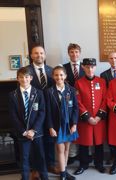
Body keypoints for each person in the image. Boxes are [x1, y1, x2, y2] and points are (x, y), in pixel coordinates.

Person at [8, 67, 48, 180]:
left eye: (26, 77)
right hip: (22, 133)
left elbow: (42, 112)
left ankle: (45, 177)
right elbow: (13, 115)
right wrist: (24, 131)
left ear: (31, 78)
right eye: (21, 77)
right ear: (17, 79)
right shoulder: (13, 95)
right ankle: (25, 177)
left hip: (37, 133)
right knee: (24, 158)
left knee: (40, 157)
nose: (24, 79)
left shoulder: (38, 93)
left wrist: (33, 130)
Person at [26, 45, 59, 176]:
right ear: (31, 55)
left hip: (50, 110)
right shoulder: (26, 71)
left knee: (50, 139)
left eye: (41, 53)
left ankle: (50, 164)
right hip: (34, 111)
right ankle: (35, 168)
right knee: (35, 140)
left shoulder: (51, 70)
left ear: (45, 55)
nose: (39, 55)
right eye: (36, 53)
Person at [74, 58, 107, 175]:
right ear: (83, 67)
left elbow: (105, 100)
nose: (90, 69)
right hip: (85, 119)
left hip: (99, 119)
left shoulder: (102, 81)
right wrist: (88, 117)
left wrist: (98, 116)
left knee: (99, 143)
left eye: (92, 67)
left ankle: (99, 164)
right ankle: (83, 164)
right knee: (83, 143)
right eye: (87, 67)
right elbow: (78, 102)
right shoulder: (78, 82)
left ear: (95, 67)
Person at [45, 66, 78, 180]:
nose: (59, 77)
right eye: (56, 75)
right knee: (60, 149)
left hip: (68, 125)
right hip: (57, 125)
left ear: (65, 76)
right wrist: (50, 127)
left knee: (67, 148)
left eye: (61, 75)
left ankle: (64, 170)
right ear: (53, 76)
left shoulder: (71, 90)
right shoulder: (49, 92)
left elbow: (75, 109)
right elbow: (48, 111)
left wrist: (74, 124)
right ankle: (63, 174)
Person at [63, 43, 85, 164]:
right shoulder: (64, 67)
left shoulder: (85, 67)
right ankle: (72, 155)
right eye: (72, 52)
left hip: (83, 103)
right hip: (69, 103)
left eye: (76, 52)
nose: (74, 54)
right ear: (69, 53)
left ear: (79, 53)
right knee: (71, 127)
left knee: (82, 128)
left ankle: (84, 154)